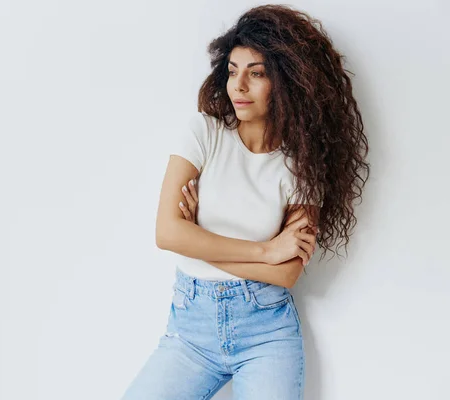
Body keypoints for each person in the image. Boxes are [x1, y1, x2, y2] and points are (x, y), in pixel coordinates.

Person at [121, 4, 370, 400]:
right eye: (233, 71)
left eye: (256, 73)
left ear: (287, 82)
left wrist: (198, 239)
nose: (238, 86)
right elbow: (167, 233)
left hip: (266, 336)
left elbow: (287, 274)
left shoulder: (301, 164)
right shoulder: (205, 131)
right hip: (191, 333)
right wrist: (265, 251)